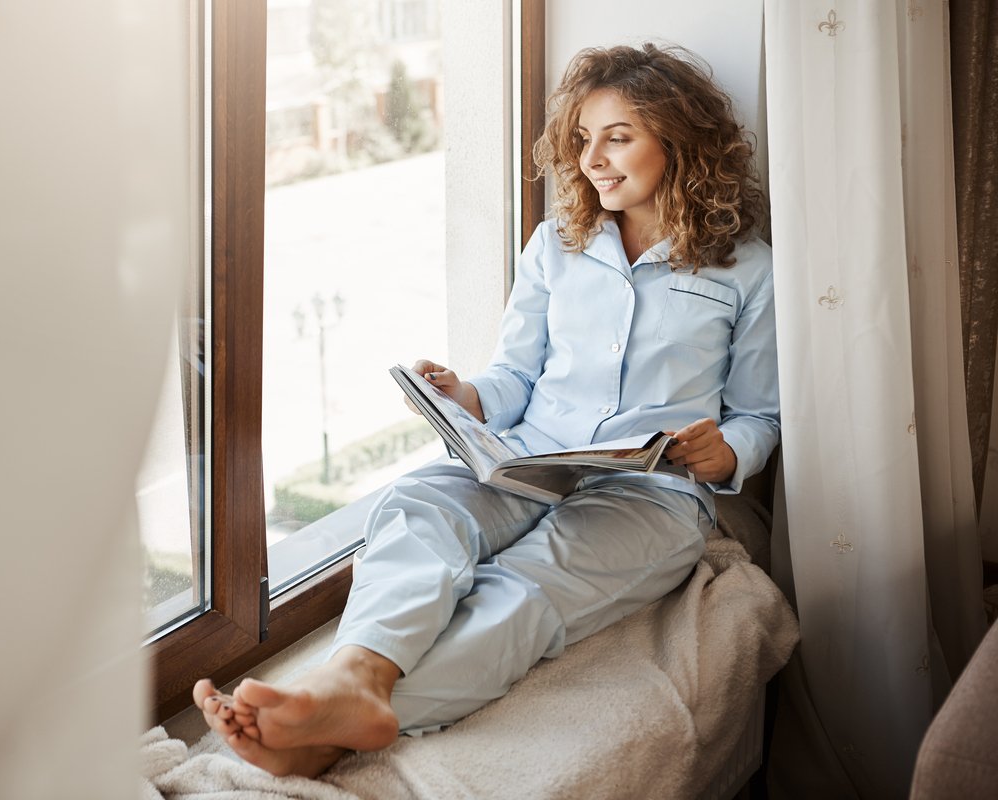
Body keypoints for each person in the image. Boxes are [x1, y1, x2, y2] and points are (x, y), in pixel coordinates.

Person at [194, 42, 779, 779]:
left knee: (525, 587)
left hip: (651, 493)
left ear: (681, 141)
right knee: (416, 504)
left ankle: (342, 726)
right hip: (527, 458)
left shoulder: (745, 268)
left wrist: (722, 452)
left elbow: (761, 415)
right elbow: (514, 376)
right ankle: (353, 675)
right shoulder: (556, 247)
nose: (593, 157)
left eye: (618, 136)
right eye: (583, 138)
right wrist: (464, 396)